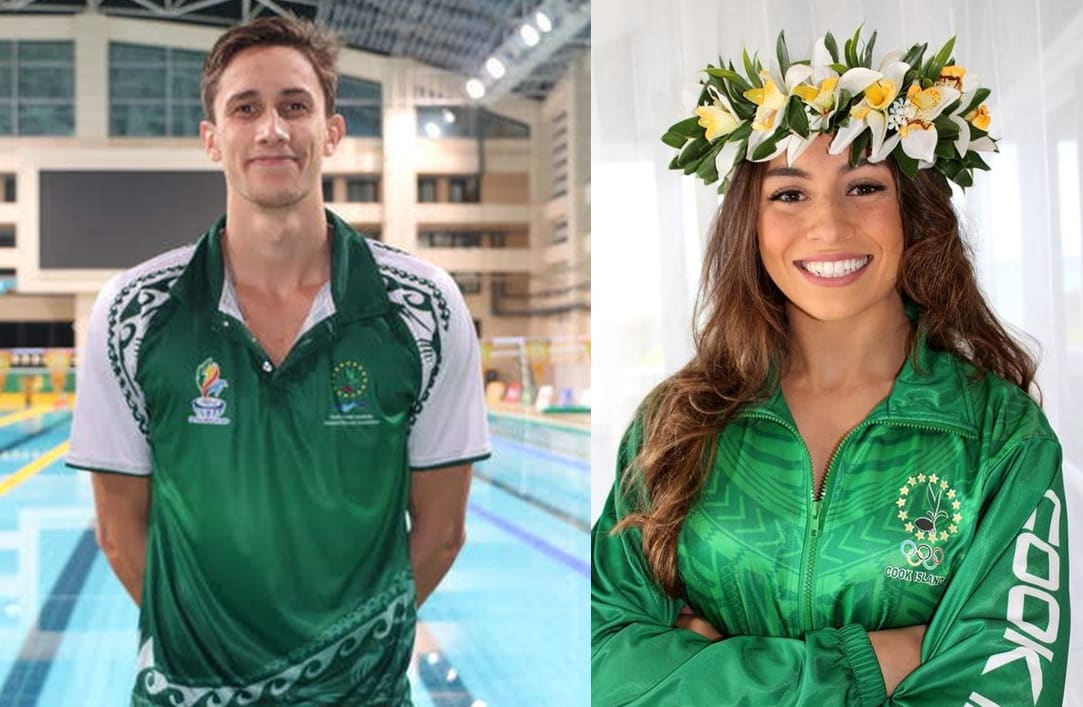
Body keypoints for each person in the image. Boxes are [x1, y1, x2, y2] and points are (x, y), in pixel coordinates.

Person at [591, 28, 1069, 706]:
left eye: (864, 186)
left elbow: (1002, 685)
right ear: (748, 226)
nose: (827, 226)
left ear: (914, 214)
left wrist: (714, 666)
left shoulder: (997, 436)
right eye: (788, 194)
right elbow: (602, 660)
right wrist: (869, 662)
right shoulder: (677, 422)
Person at [66, 16, 490, 706]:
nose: (271, 129)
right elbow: (119, 534)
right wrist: (210, 653)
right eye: (245, 108)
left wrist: (340, 661)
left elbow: (442, 532)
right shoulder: (133, 311)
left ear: (331, 132)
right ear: (212, 138)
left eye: (295, 105)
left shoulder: (423, 307)